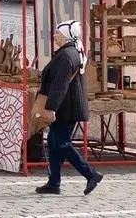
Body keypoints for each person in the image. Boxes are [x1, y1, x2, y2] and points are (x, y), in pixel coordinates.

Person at [34, 20, 102, 195]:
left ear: (65, 36)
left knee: (62, 143)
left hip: (66, 108)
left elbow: (60, 84)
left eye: (57, 33)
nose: (54, 35)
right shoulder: (71, 52)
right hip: (67, 106)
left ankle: (91, 174)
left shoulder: (66, 55)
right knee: (54, 143)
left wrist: (51, 108)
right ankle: (54, 182)